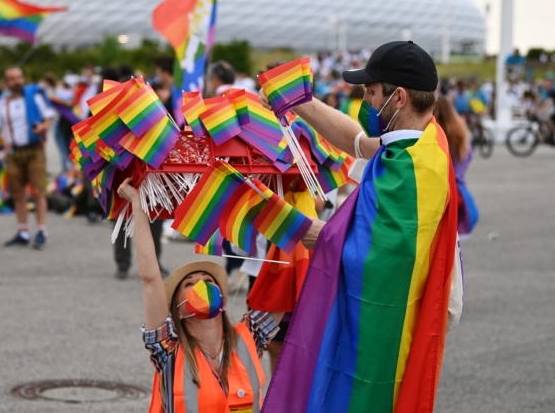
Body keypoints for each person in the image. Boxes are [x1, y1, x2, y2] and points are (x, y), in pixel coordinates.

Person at [259, 41, 462, 412]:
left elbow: (359, 255)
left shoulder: (412, 173)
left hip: (381, 333)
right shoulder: (424, 139)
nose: (366, 101)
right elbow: (357, 142)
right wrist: (298, 102)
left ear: (398, 97)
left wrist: (258, 207)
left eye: (371, 92)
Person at [116, 178, 279, 413]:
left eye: (208, 281)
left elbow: (282, 285)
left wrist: (279, 204)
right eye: (190, 284)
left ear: (221, 301)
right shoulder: (168, 348)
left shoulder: (250, 337)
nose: (201, 285)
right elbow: (150, 279)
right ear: (178, 309)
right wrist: (137, 205)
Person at [0, 67, 54, 249]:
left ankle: (41, 230)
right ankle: (23, 231)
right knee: (17, 193)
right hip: (13, 152)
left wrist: (42, 127)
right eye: (12, 79)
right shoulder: (2, 102)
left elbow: (48, 117)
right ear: (6, 83)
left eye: (19, 77)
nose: (17, 81)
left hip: (34, 150)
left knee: (38, 190)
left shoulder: (33, 96)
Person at [434, 96, 479, 239]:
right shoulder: (461, 133)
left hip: (438, 190)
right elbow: (468, 157)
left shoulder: (433, 133)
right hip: (459, 189)